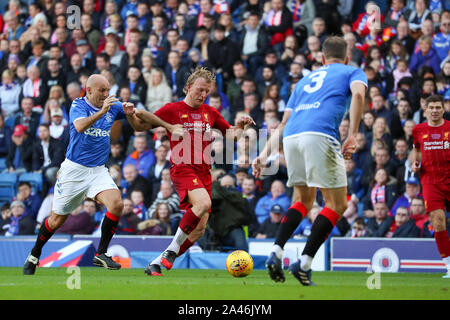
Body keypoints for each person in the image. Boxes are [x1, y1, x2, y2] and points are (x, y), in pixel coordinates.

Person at [23, 74, 182, 275]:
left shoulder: (112, 106)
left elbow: (140, 121)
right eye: (102, 91)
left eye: (108, 90)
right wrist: (103, 111)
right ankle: (35, 253)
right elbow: (80, 126)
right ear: (89, 90)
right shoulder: (78, 105)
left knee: (117, 204)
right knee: (56, 221)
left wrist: (161, 124)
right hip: (74, 171)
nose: (106, 94)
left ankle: (101, 253)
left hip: (98, 170)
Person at [252, 36, 367, 285]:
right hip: (320, 135)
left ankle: (275, 251)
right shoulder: (353, 71)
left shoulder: (303, 81)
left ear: (322, 59)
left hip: (292, 137)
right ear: (346, 58)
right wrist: (353, 134)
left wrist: (263, 155)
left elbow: (281, 124)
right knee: (337, 205)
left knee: (302, 200)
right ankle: (304, 263)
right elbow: (358, 97)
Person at [134, 67, 255, 276]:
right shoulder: (173, 109)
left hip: (204, 172)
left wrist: (241, 125)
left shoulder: (210, 112)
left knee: (199, 230)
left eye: (207, 91)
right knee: (204, 203)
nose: (203, 95)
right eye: (200, 90)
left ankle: (156, 263)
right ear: (188, 87)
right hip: (183, 167)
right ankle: (171, 251)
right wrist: (167, 126)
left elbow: (232, 136)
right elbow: (141, 120)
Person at [410, 94, 450, 278]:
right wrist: (414, 163)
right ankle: (449, 266)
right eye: (431, 107)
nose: (434, 111)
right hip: (430, 180)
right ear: (425, 109)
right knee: (438, 220)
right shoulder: (418, 130)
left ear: (444, 109)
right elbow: (416, 151)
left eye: (438, 107)